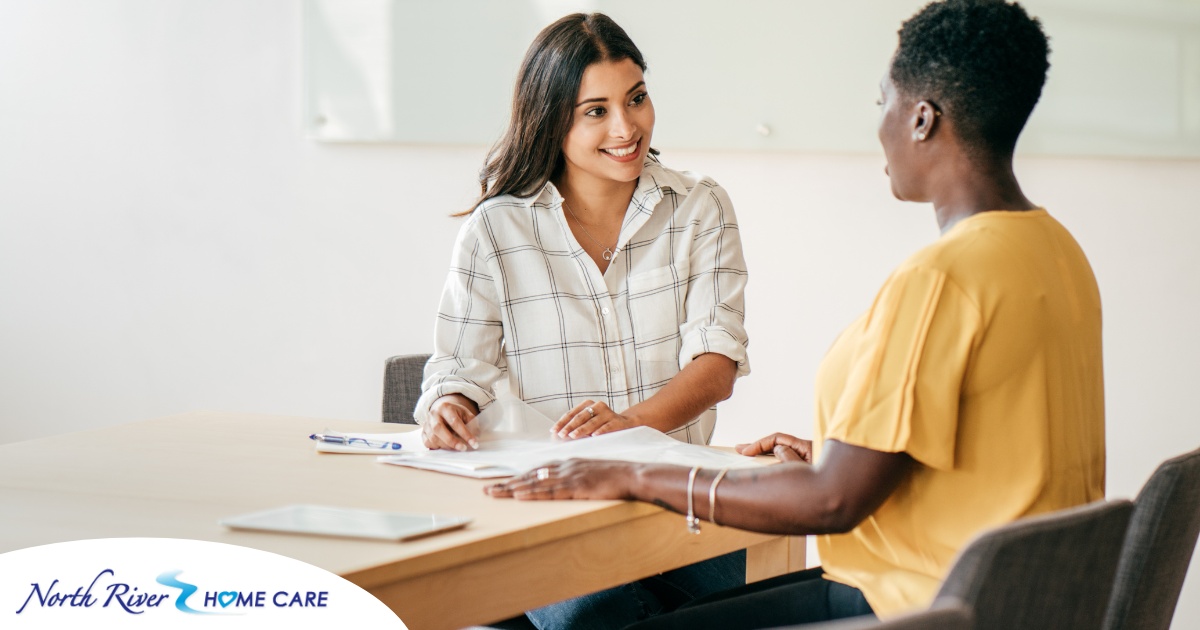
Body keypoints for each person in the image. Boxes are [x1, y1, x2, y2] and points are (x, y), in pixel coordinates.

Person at [486, 1, 1106, 628]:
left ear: (921, 119)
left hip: (913, 605)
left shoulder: (940, 280)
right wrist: (836, 456)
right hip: (1017, 600)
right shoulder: (1055, 251)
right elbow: (993, 452)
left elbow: (832, 504)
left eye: (882, 102)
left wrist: (635, 475)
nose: (880, 125)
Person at [414, 13, 751, 630]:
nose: (627, 127)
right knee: (597, 616)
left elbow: (716, 366)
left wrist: (627, 429)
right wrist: (450, 404)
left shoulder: (700, 207)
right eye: (595, 111)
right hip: (551, 511)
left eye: (637, 99)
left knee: (732, 607)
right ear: (551, 120)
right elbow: (458, 368)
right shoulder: (495, 230)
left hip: (678, 506)